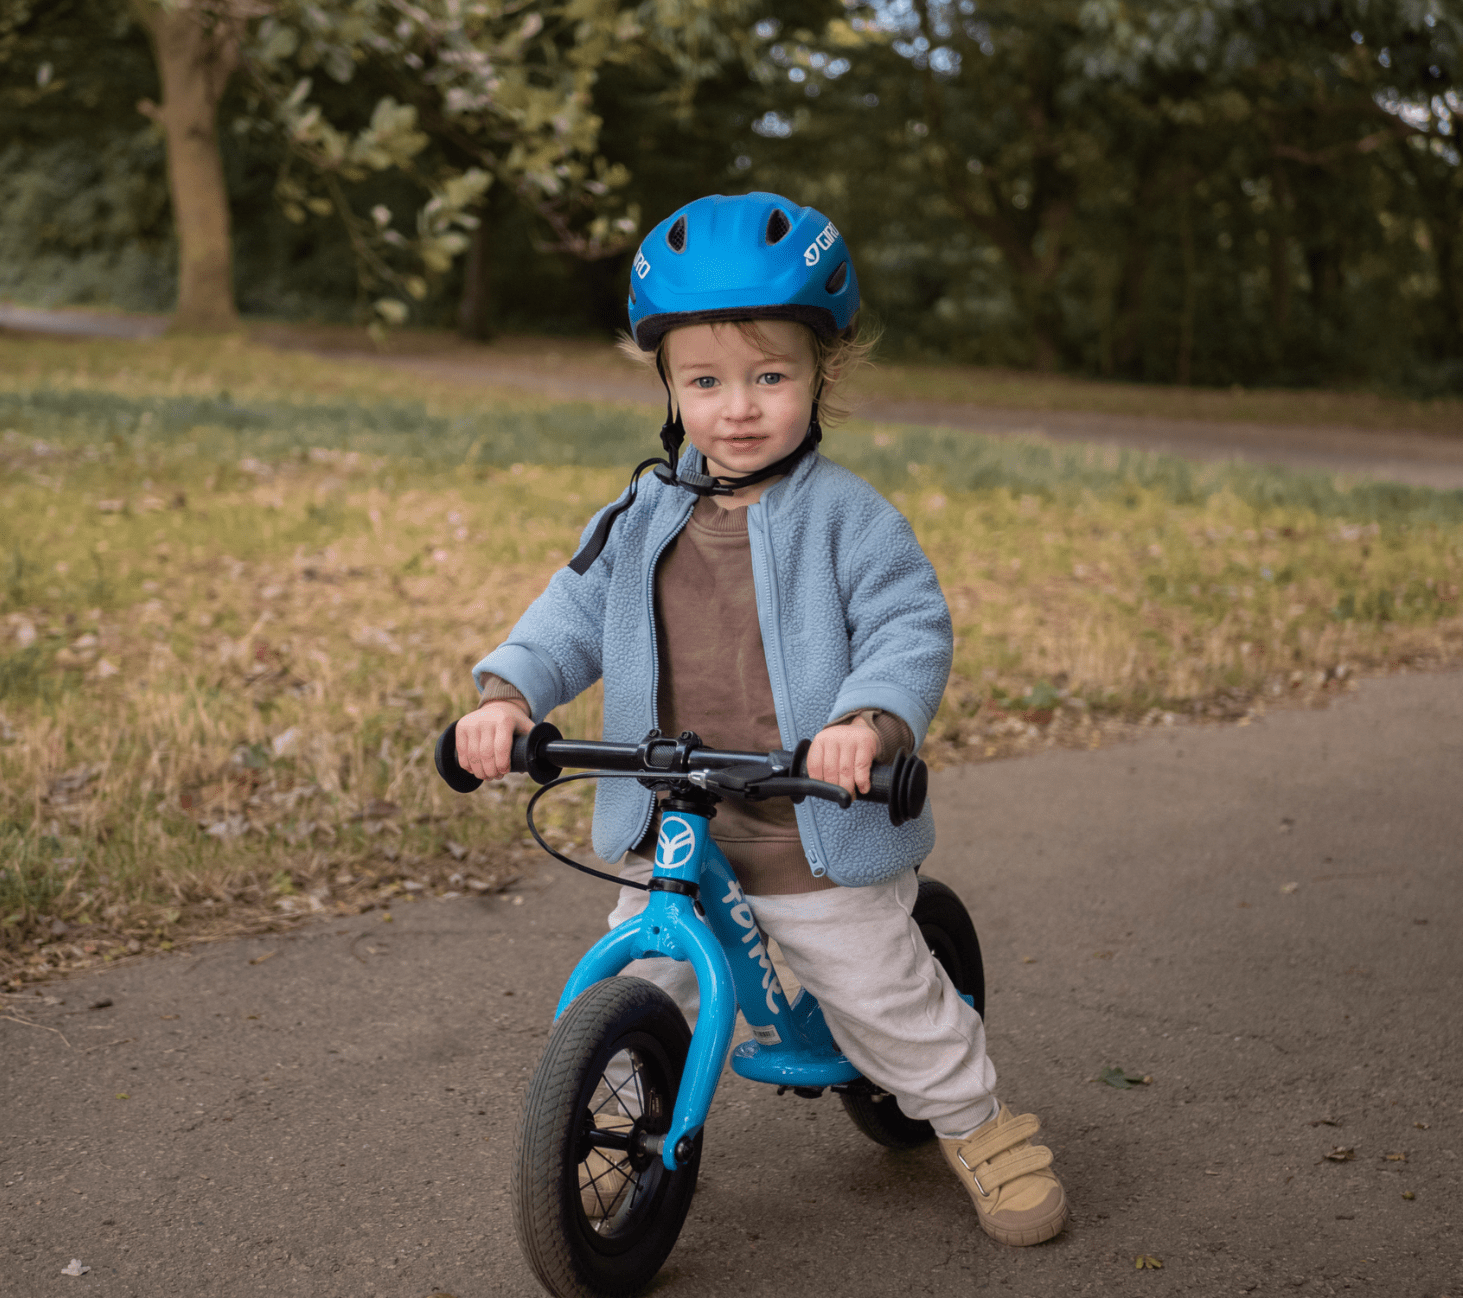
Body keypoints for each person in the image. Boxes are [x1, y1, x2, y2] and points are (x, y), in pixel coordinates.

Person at [452, 192, 1067, 1247]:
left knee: (884, 997)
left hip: (807, 828)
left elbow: (908, 628)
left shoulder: (847, 516)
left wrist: (867, 724)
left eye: (767, 376)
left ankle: (974, 1118)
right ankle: (609, 1136)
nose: (736, 407)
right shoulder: (638, 514)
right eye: (705, 381)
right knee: (646, 978)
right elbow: (568, 615)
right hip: (674, 826)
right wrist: (508, 694)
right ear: (667, 385)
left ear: (824, 373)